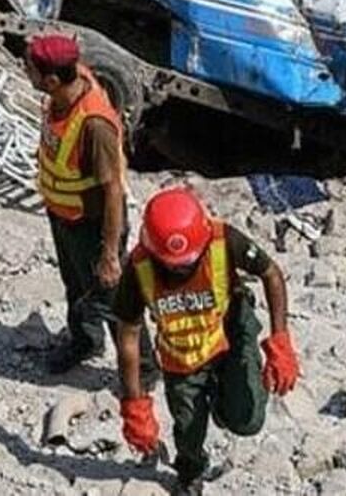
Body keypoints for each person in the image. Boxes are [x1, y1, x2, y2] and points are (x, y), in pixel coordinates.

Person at [113, 187, 300, 495]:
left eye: (189, 261)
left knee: (247, 419)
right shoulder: (138, 268)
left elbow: (271, 273)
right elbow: (128, 335)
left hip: (229, 334)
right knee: (188, 429)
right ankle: (190, 473)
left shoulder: (223, 240)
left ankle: (225, 404)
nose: (183, 268)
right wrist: (135, 404)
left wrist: (280, 340)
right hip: (182, 356)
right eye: (174, 264)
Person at [25, 33, 155, 376]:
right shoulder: (66, 86)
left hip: (93, 224)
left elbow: (113, 191)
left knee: (113, 298)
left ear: (52, 80)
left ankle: (143, 368)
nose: (26, 72)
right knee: (76, 285)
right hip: (64, 215)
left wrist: (109, 254)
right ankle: (84, 341)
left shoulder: (94, 125)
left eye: (31, 69)